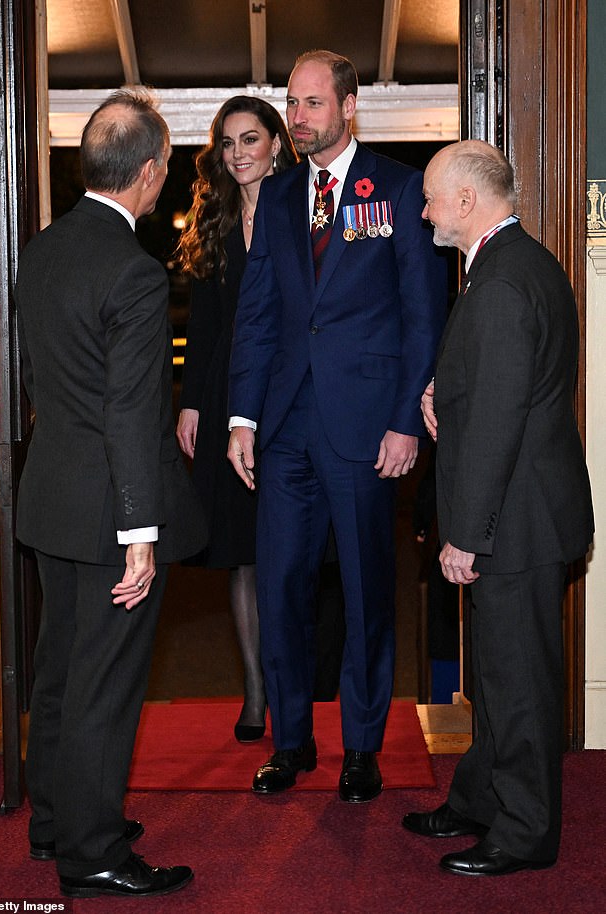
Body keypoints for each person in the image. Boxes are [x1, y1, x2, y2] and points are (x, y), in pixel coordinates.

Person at [227, 50, 447, 802]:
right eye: (292, 103)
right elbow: (257, 316)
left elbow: (424, 317)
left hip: (365, 430)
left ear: (349, 106)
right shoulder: (281, 195)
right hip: (284, 429)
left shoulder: (397, 187)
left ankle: (361, 749)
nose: (298, 118)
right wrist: (242, 416)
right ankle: (291, 744)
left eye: (313, 103)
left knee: (364, 594)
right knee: (281, 587)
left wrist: (404, 421)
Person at [15, 89, 207, 898]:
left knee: (60, 668)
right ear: (151, 173)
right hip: (106, 515)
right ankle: (91, 852)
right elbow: (132, 411)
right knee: (102, 683)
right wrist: (141, 533)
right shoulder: (130, 271)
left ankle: (57, 816)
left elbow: (46, 384)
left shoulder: (45, 249)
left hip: (51, 499)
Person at [403, 139, 593, 875]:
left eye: (428, 199)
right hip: (521, 513)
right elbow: (491, 389)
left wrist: (465, 536)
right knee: (493, 675)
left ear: (464, 200)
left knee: (517, 684)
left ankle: (524, 831)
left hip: (516, 520)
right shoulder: (511, 266)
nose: (422, 214)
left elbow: (500, 422)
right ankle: (480, 799)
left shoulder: (507, 281)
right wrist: (437, 394)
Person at [176, 95, 298, 742]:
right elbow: (204, 322)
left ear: (277, 142)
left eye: (250, 139)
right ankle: (255, 690)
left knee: (290, 550)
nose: (238, 152)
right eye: (227, 142)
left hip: (292, 396)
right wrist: (194, 403)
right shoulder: (215, 215)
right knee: (243, 555)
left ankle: (291, 688)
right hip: (227, 399)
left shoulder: (307, 207)